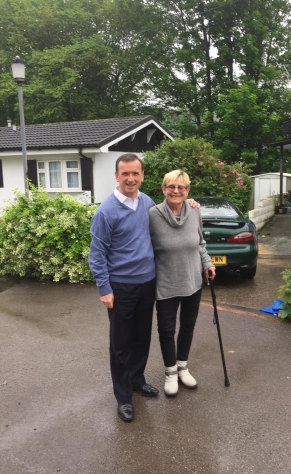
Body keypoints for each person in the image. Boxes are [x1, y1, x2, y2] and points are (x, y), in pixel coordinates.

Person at [89, 154, 199, 423]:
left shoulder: (147, 203)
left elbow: (175, 211)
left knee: (141, 337)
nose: (130, 179)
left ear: (142, 176)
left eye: (135, 174)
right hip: (121, 286)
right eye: (125, 174)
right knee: (120, 343)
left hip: (148, 282)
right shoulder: (106, 211)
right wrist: (104, 288)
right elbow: (97, 253)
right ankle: (124, 396)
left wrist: (193, 203)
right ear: (116, 176)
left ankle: (137, 379)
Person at [149, 170, 216, 397]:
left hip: (193, 281)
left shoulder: (195, 211)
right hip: (166, 284)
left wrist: (207, 263)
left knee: (188, 326)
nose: (176, 191)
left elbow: (200, 242)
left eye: (181, 187)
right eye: (171, 187)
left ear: (188, 191)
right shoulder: (153, 215)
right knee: (166, 330)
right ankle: (170, 372)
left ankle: (182, 366)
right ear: (163, 189)